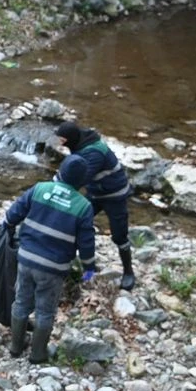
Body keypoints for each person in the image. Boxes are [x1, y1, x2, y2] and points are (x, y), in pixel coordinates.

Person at [4, 155, 97, 364]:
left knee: (21, 302)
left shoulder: (39, 189)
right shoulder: (83, 207)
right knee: (45, 311)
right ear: (82, 182)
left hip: (26, 259)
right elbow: (86, 243)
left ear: (60, 172)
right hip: (54, 268)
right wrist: (89, 267)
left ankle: (16, 347)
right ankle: (38, 354)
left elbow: (13, 215)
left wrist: (7, 227)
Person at [54, 121, 136, 290]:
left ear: (70, 139)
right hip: (95, 192)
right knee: (77, 224)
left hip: (114, 195)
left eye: (62, 140)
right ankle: (88, 270)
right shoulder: (80, 143)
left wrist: (53, 190)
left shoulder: (93, 154)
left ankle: (128, 272)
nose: (59, 144)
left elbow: (76, 178)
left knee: (119, 236)